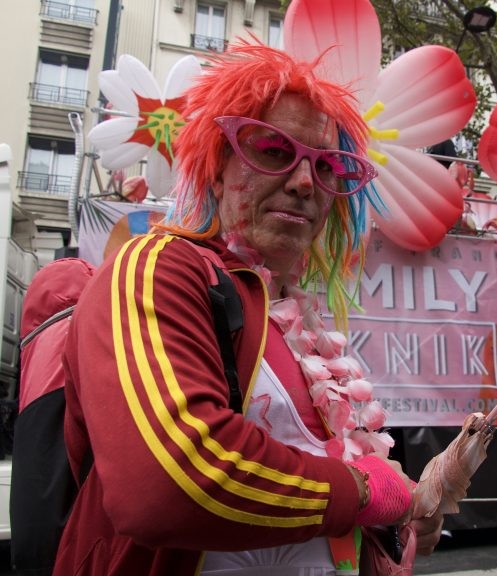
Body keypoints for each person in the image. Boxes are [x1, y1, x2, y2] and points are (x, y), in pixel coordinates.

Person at [56, 40, 443, 575]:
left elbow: (321, 511)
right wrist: (365, 490)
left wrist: (390, 526)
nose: (307, 182)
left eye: (329, 166)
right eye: (273, 150)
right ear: (217, 166)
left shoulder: (292, 317)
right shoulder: (158, 267)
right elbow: (168, 483)